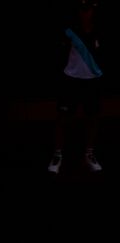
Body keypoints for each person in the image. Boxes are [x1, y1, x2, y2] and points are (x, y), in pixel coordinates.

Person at [50, 0, 105, 174]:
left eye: (88, 9)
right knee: (63, 117)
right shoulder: (69, 30)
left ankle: (89, 154)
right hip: (71, 79)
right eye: (82, 9)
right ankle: (57, 154)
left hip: (93, 80)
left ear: (93, 11)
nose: (85, 13)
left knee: (94, 117)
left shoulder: (100, 30)